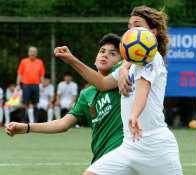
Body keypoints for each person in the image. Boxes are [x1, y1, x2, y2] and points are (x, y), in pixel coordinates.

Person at [54, 5, 183, 175]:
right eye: (129, 27)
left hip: (156, 147)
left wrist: (135, 115)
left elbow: (143, 88)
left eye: (137, 25)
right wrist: (71, 60)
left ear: (152, 33)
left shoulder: (153, 58)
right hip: (129, 146)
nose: (131, 31)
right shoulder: (127, 65)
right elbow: (102, 83)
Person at [5, 33, 123, 166]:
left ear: (121, 62)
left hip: (121, 156)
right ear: (95, 58)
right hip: (100, 159)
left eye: (112, 53)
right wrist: (27, 127)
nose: (105, 55)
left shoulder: (123, 79)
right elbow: (63, 123)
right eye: (102, 51)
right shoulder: (86, 95)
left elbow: (104, 83)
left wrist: (71, 59)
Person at [17, 46, 45, 123]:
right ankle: (22, 121)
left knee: (35, 103)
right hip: (25, 85)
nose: (32, 53)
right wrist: (18, 85)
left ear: (36, 53)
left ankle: (35, 121)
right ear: (28, 53)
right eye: (31, 51)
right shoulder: (23, 61)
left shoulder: (40, 62)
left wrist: (42, 85)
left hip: (36, 85)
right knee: (24, 103)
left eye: (34, 52)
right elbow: (19, 74)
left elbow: (42, 75)